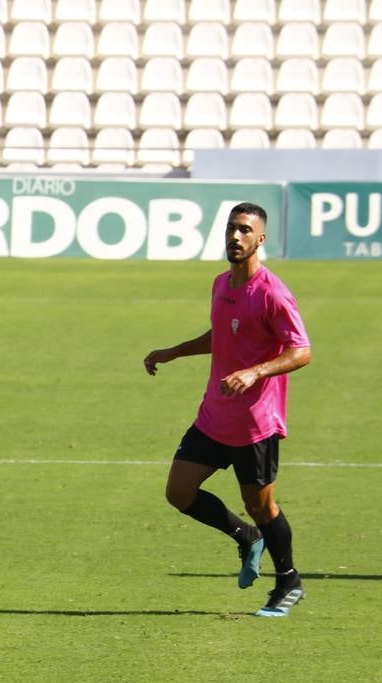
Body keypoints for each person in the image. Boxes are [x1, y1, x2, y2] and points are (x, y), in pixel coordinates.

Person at [143, 202, 312, 617]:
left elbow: (301, 350)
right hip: (215, 415)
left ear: (260, 239)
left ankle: (288, 579)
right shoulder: (221, 283)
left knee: (263, 505)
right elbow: (221, 334)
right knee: (179, 492)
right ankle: (246, 536)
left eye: (244, 230)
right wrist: (175, 352)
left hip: (255, 424)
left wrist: (256, 372)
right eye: (231, 230)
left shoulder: (273, 292)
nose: (235, 237)